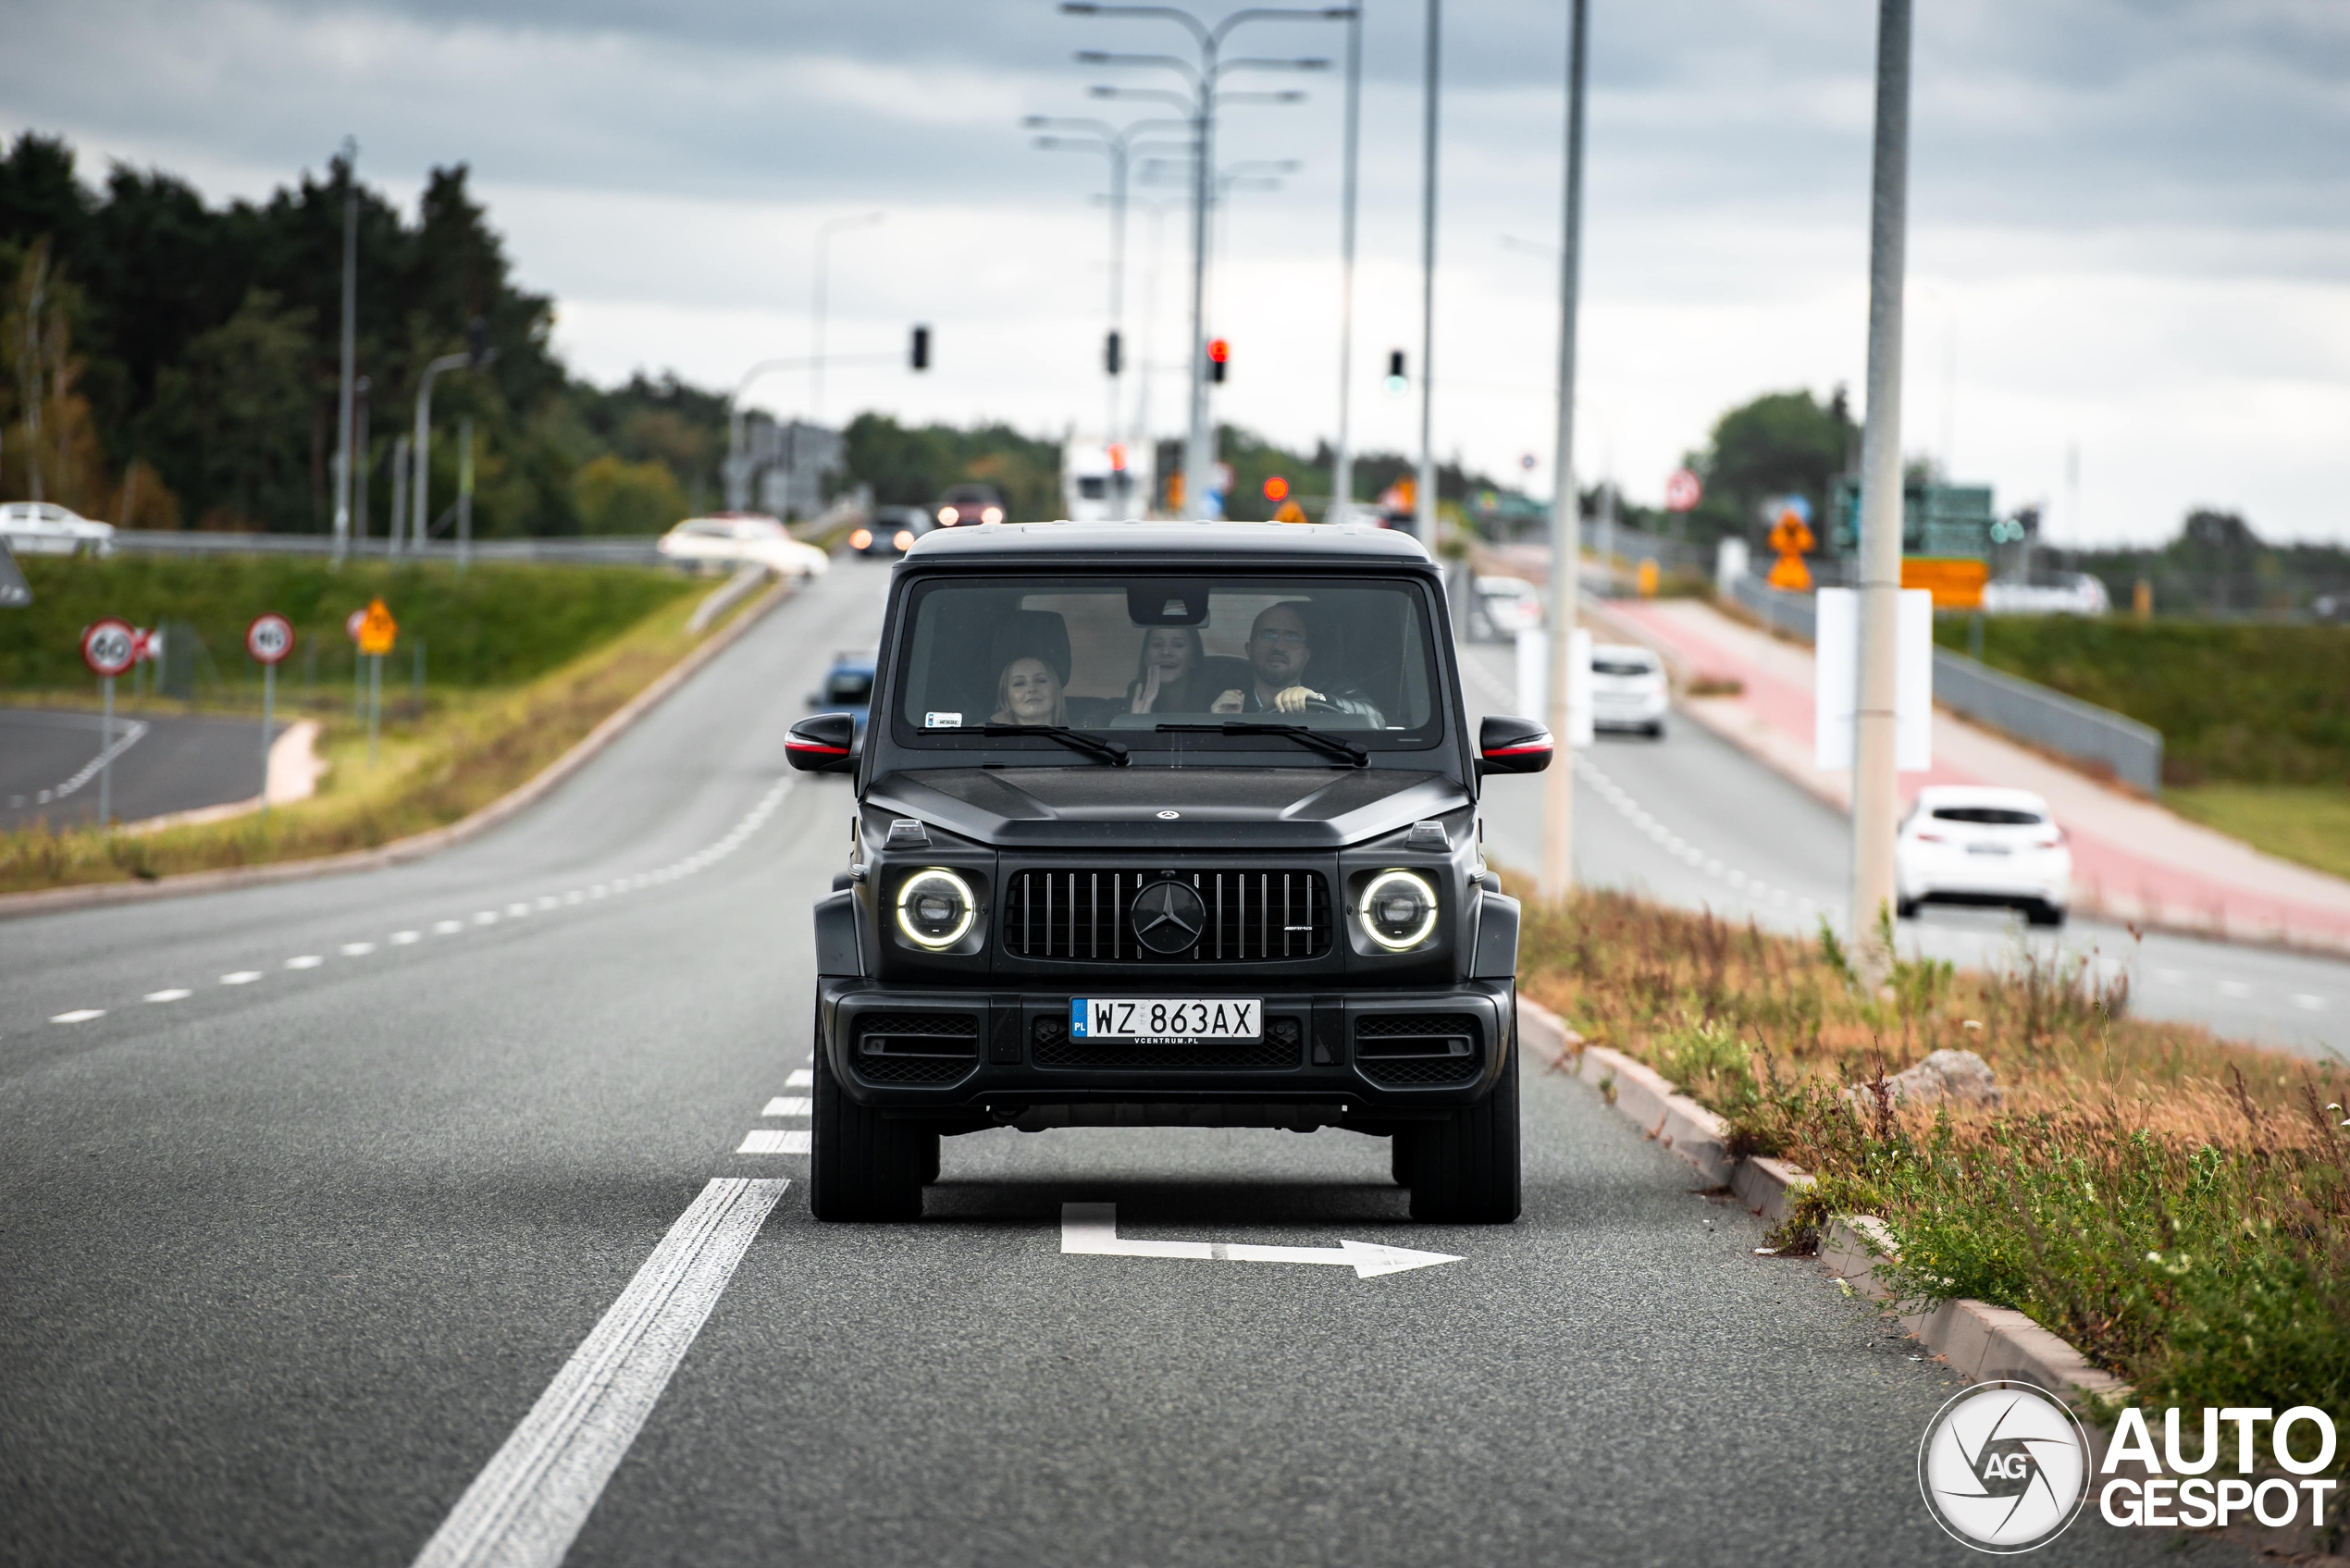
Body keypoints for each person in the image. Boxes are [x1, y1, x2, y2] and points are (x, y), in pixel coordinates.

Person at [1210, 602, 1382, 723]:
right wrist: (1220, 723)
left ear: (1306, 655)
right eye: (1268, 635)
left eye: (1291, 637)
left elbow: (1375, 719)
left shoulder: (1331, 687)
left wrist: (1319, 701)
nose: (1278, 646)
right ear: (1249, 649)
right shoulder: (1219, 694)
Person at [1125, 625, 1207, 714]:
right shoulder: (1128, 703)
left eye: (1177, 645)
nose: (1166, 652)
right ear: (1146, 658)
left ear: (1193, 658)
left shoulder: (1213, 705)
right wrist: (1138, 720)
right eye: (1157, 645)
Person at [991, 655, 1068, 726]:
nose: (1032, 689)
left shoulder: (1077, 737)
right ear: (1006, 697)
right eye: (1019, 683)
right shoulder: (983, 737)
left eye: (1040, 680)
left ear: (1055, 690)